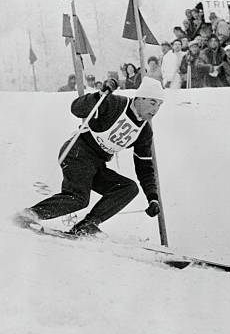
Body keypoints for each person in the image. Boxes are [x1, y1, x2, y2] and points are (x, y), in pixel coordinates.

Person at [14, 77, 165, 236]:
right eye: (152, 102)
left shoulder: (145, 132)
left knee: (128, 188)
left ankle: (87, 225)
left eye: (159, 105)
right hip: (78, 152)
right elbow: (76, 108)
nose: (155, 110)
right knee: (79, 198)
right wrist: (99, 96)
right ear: (139, 98)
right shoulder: (115, 104)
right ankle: (30, 214)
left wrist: (152, 198)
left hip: (96, 164)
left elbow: (144, 168)